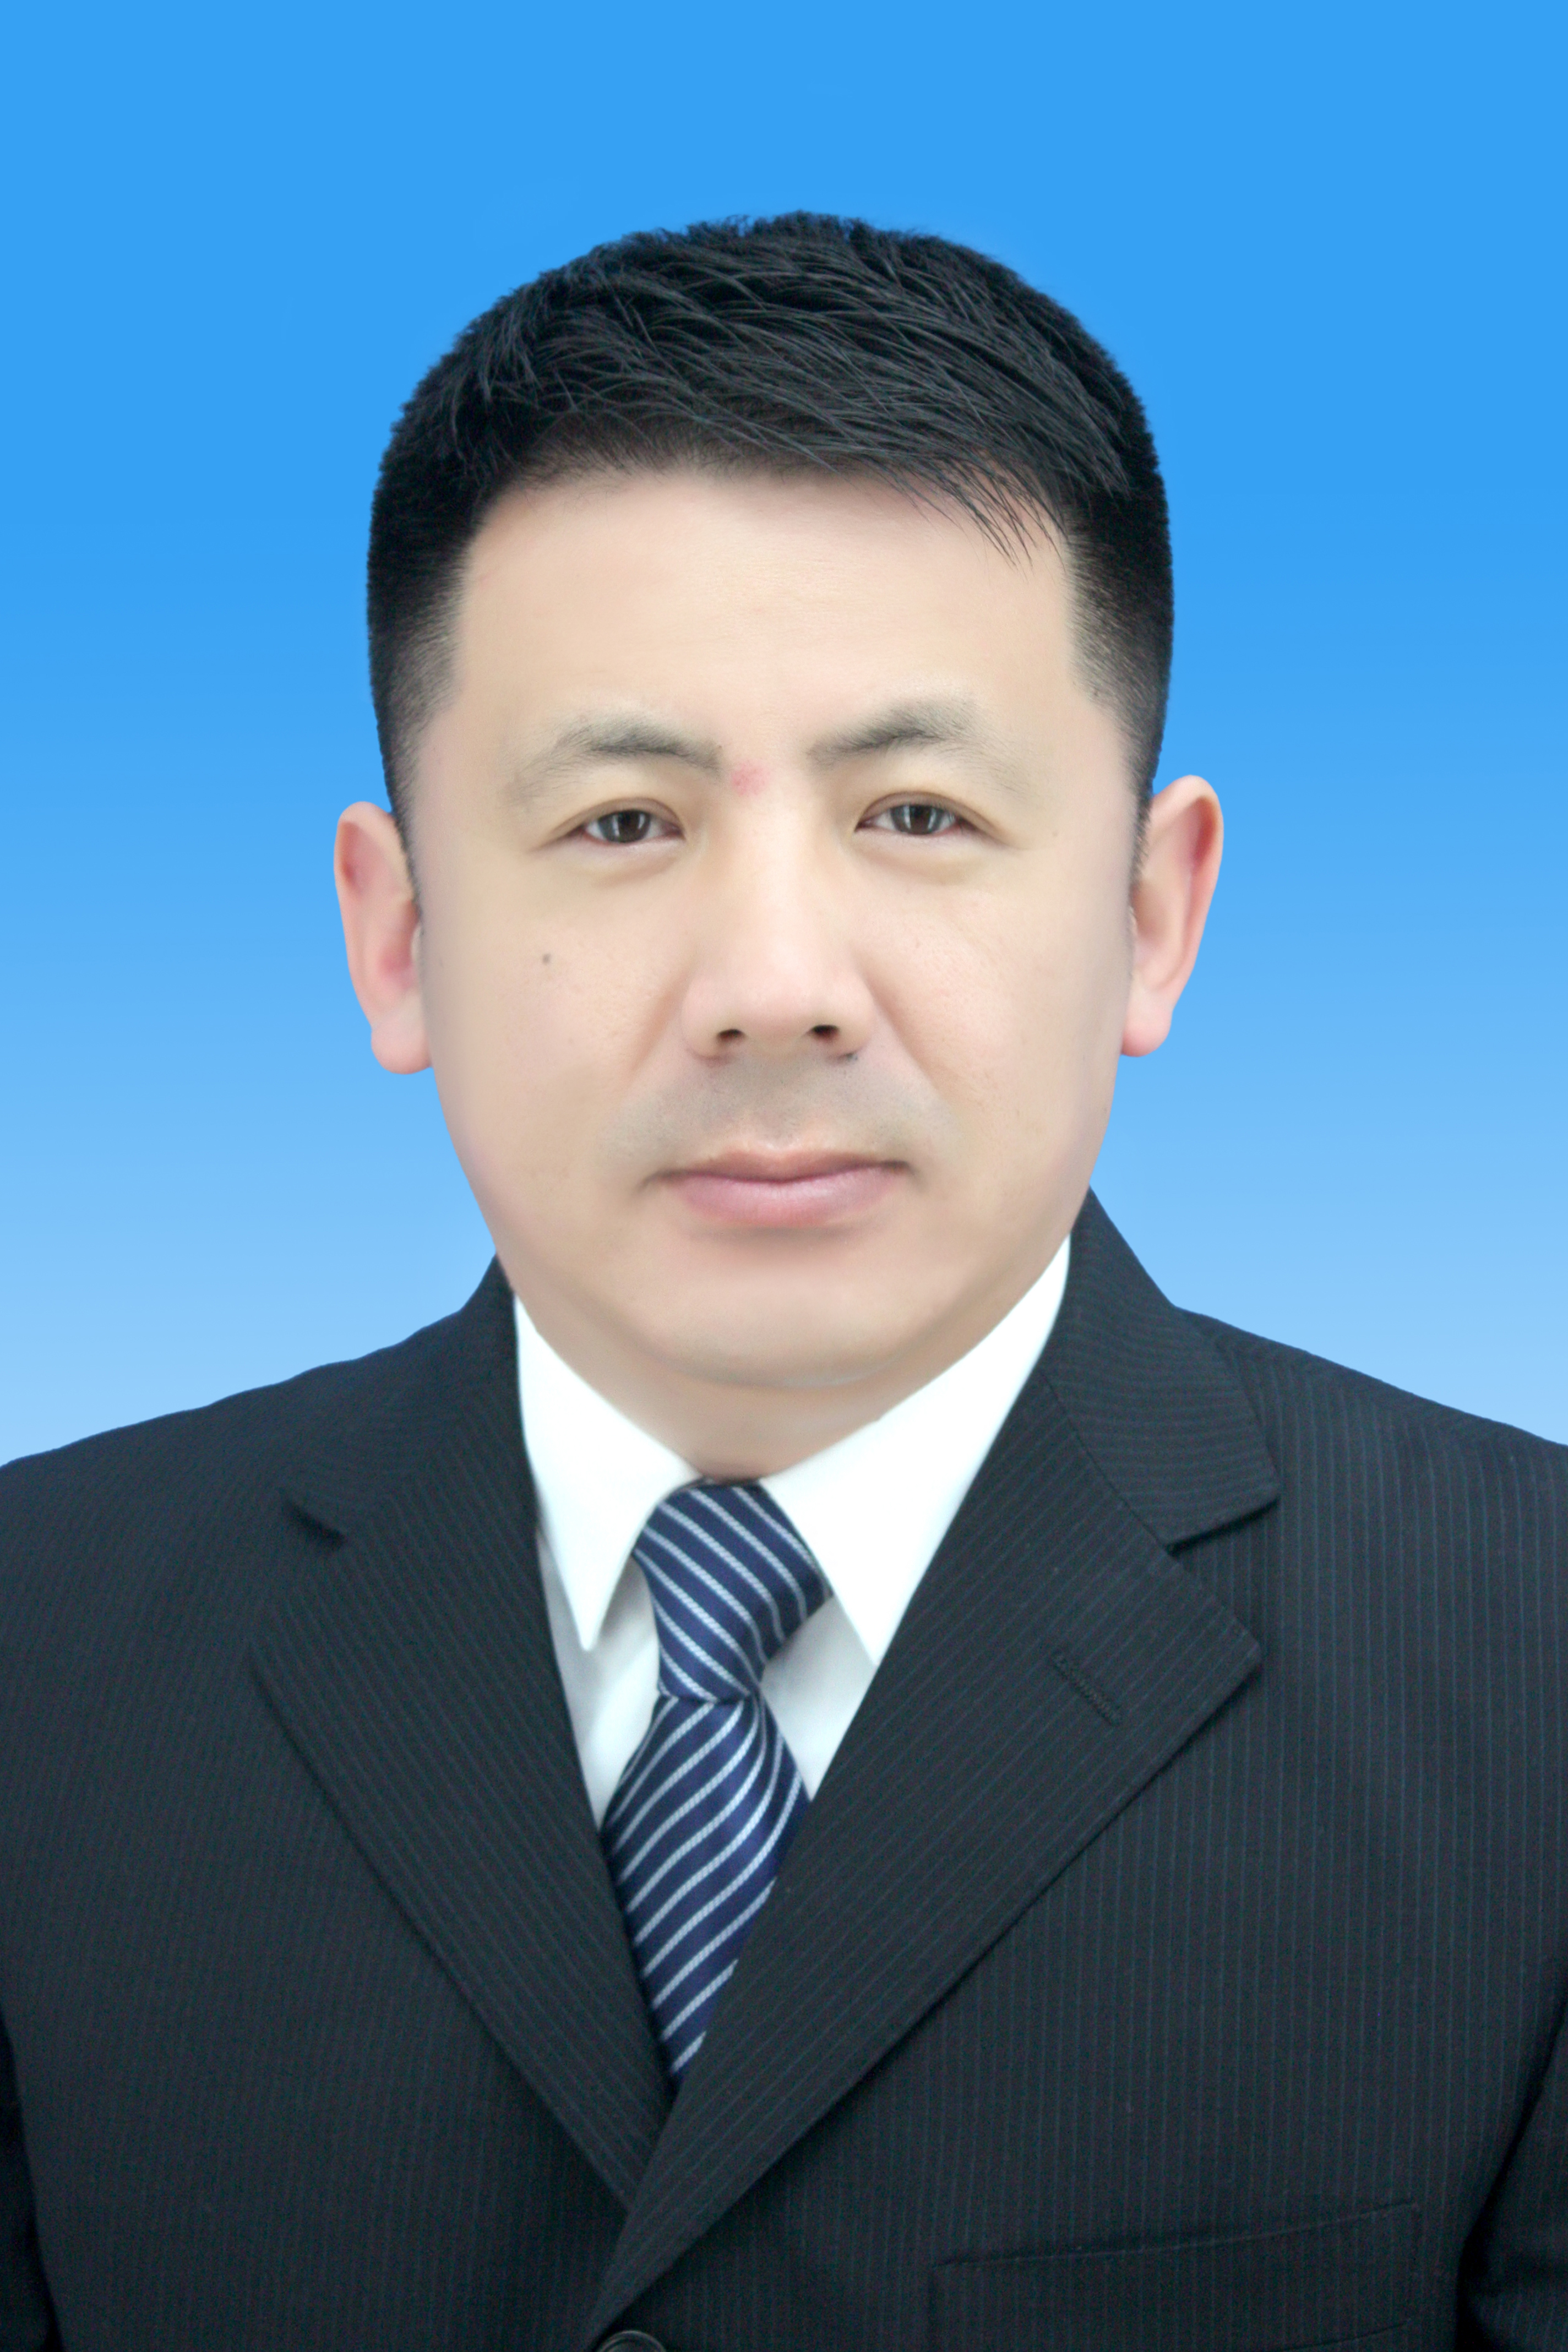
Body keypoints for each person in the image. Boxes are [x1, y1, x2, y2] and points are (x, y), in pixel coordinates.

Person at [1, 213, 1564, 2352]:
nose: (771, 985)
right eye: (622, 824)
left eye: (914, 815)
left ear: (1151, 916)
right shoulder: (37, 1656)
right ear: (396, 935)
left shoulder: (1530, 1676)